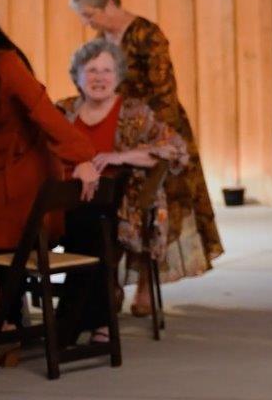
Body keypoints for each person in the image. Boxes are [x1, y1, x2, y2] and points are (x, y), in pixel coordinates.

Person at [69, 0, 222, 316]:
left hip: (154, 126)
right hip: (119, 127)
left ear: (110, 4)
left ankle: (144, 286)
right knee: (113, 202)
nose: (86, 21)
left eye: (90, 13)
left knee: (153, 202)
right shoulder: (102, 38)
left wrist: (153, 143)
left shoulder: (148, 35)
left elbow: (163, 94)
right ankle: (106, 283)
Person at [0, 0, 100, 367]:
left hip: (21, 182)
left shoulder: (6, 64)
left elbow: (48, 116)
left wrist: (82, 158)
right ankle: (2, 328)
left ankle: (1, 331)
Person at [54, 39, 189, 345]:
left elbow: (175, 149)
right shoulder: (63, 111)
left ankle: (69, 325)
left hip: (123, 205)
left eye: (106, 70)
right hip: (65, 200)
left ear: (118, 76)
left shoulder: (134, 112)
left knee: (93, 225)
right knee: (85, 225)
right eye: (91, 71)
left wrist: (120, 157)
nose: (99, 78)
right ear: (77, 76)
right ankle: (94, 320)